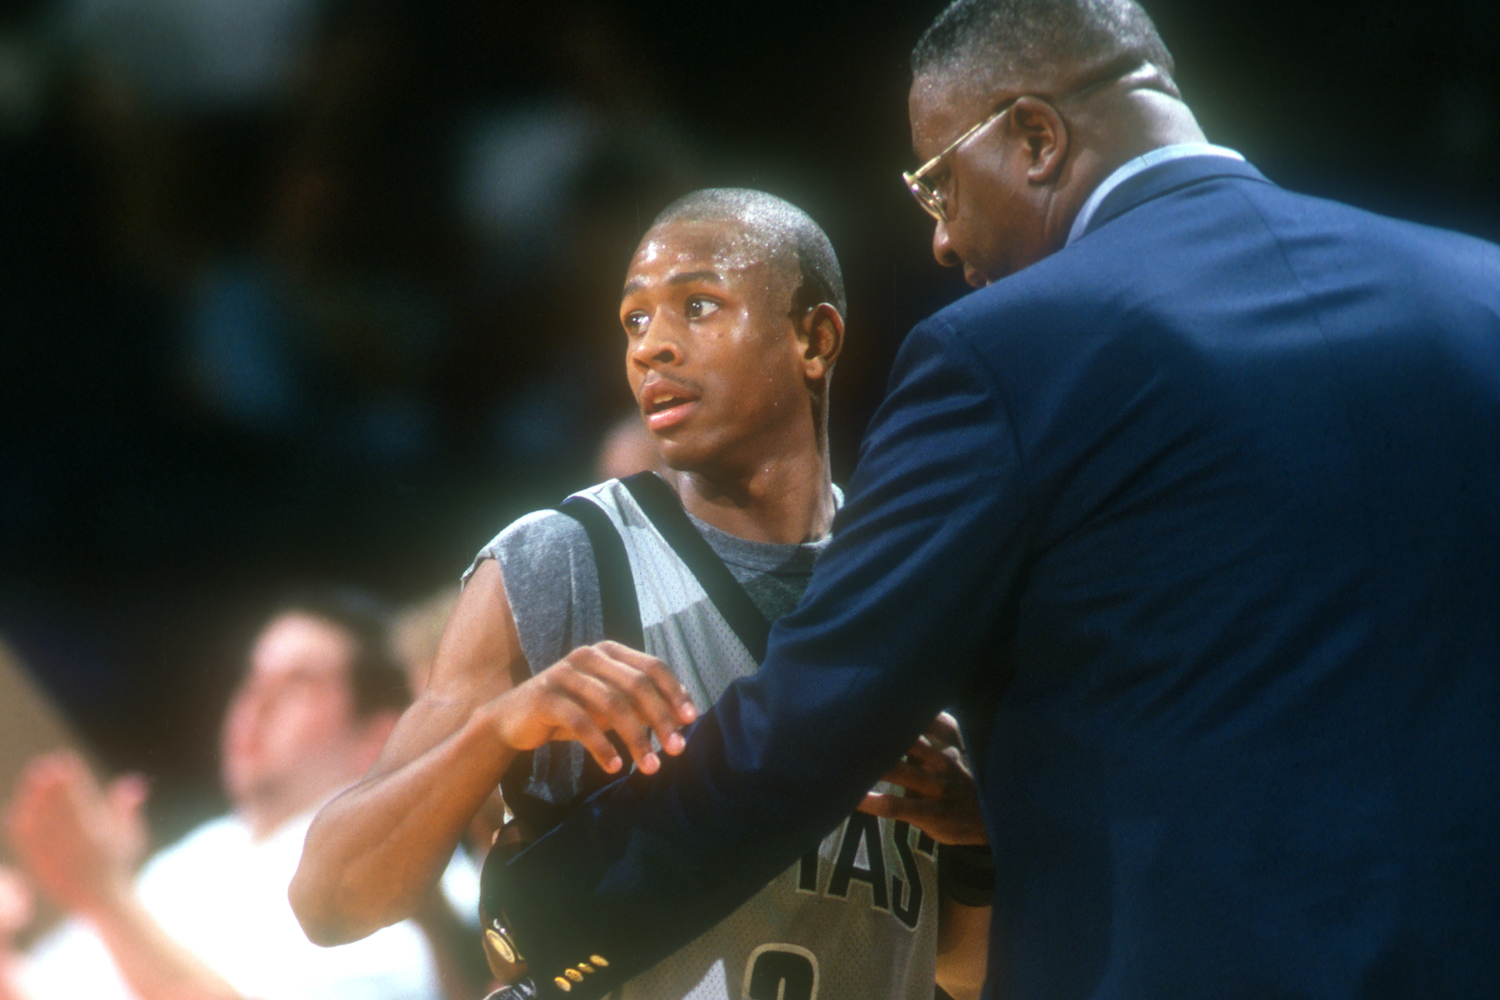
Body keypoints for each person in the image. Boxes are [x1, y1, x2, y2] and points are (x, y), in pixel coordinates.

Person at [455, 1, 1500, 999]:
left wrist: (540, 915)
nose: (945, 244)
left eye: (939, 187)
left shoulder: (1013, 350)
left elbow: (821, 709)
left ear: (1036, 138)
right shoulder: (1478, 294)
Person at [290, 188, 992, 1000]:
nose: (653, 346)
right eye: (634, 320)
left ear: (814, 337)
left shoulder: (916, 581)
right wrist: (498, 727)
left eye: (697, 306)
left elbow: (962, 972)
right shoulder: (560, 562)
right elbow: (331, 901)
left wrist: (975, 839)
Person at [3, 592, 450, 1000]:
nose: (256, 702)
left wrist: (100, 891)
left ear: (379, 734)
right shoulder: (205, 850)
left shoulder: (400, 905)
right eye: (252, 677)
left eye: (298, 683)